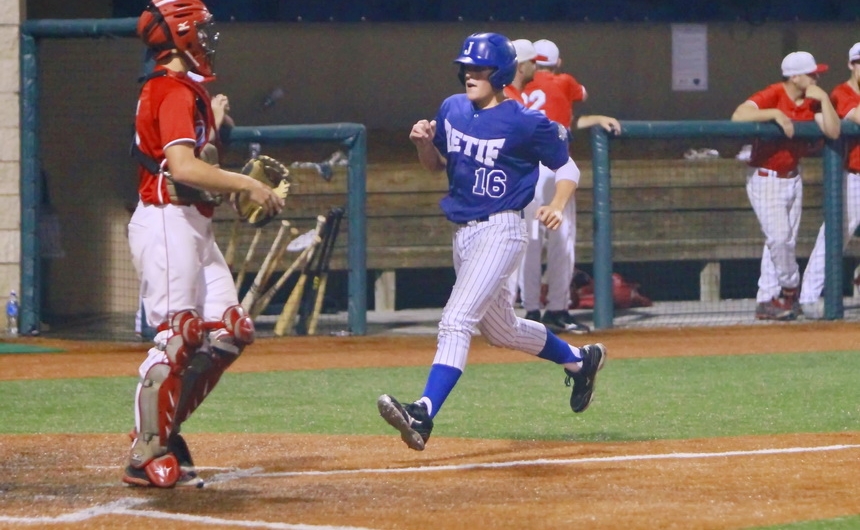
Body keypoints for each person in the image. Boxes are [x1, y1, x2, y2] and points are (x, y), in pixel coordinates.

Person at [376, 32, 606, 451]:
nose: (469, 74)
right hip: (463, 234)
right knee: (501, 330)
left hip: (502, 229)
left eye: (478, 68)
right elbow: (436, 166)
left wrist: (556, 202)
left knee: (455, 319)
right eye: (466, 67)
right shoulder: (452, 108)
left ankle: (423, 413)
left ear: (499, 72)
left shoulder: (524, 120)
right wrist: (423, 146)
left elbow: (568, 167)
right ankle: (579, 360)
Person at [123, 0, 284, 488]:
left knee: (230, 329)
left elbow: (198, 161)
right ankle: (146, 449)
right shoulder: (170, 89)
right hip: (167, 221)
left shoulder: (186, 90)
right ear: (180, 36)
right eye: (201, 30)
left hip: (192, 222)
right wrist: (247, 185)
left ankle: (164, 429)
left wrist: (215, 125)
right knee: (179, 335)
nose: (209, 38)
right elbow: (183, 168)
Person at [518, 38, 620, 333]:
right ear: (557, 62)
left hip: (524, 168)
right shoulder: (564, 80)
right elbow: (580, 96)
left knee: (530, 243)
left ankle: (531, 311)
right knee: (561, 240)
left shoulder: (514, 86)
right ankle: (558, 310)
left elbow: (562, 115)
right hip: (553, 166)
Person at [731, 51, 839, 321]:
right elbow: (738, 115)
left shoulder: (812, 101)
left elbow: (834, 131)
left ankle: (768, 299)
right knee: (779, 239)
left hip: (793, 177)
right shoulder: (775, 92)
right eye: (812, 73)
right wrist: (775, 114)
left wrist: (824, 99)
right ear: (795, 76)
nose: (816, 78)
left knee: (782, 242)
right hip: (765, 176)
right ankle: (791, 289)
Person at [799, 43, 860, 318]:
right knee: (834, 236)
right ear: (851, 65)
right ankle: (810, 297)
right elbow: (855, 116)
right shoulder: (841, 92)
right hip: (853, 177)